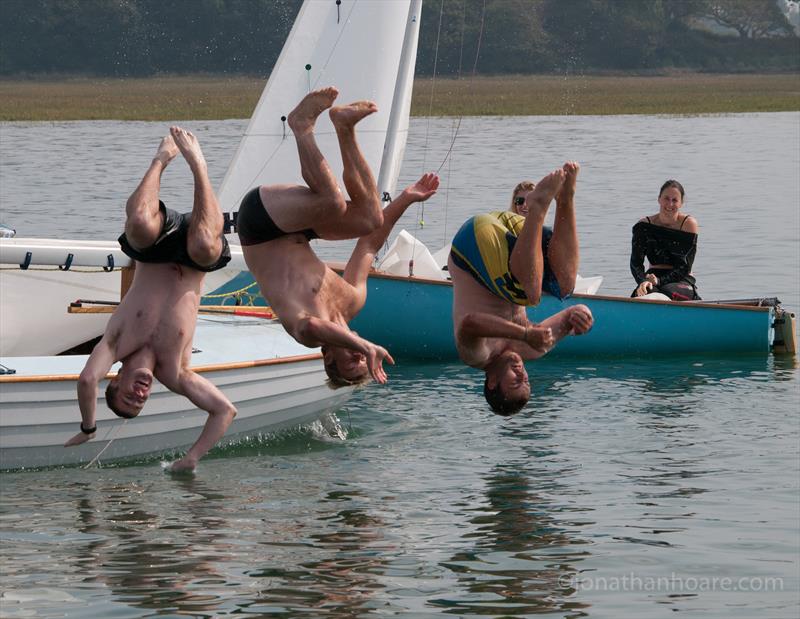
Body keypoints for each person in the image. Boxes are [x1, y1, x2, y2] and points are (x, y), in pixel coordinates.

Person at [237, 87, 439, 386]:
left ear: (328, 357)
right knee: (370, 218)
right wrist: (406, 198)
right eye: (363, 362)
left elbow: (315, 325)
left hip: (259, 226)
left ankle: (301, 126)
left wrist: (364, 345)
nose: (360, 358)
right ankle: (345, 127)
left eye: (352, 363)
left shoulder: (304, 333)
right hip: (297, 230)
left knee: (331, 201)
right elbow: (370, 244)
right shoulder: (353, 301)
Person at [65, 127, 237, 472]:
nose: (140, 394)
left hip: (155, 247)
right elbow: (224, 411)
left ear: (116, 380)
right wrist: (191, 459)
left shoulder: (114, 345)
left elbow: (86, 380)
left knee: (141, 222)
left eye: (129, 395)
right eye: (141, 402)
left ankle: (162, 158)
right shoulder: (176, 372)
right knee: (205, 244)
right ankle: (198, 164)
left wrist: (88, 427)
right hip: (196, 257)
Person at [448, 163, 594, 416]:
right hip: (512, 233)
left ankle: (537, 207)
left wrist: (526, 332)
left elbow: (470, 323)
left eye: (515, 380)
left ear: (492, 382)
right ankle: (566, 199)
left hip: (473, 242)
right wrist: (582, 319)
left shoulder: (477, 356)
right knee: (564, 286)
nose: (521, 372)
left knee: (529, 295)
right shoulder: (534, 348)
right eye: (525, 379)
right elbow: (573, 312)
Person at [630, 179, 700, 300]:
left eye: (675, 200)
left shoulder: (688, 224)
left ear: (681, 203)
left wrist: (659, 281)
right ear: (659, 199)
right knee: (644, 292)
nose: (670, 204)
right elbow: (635, 263)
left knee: (667, 292)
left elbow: (685, 266)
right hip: (652, 276)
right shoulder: (643, 226)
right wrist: (642, 281)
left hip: (681, 279)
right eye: (666, 199)